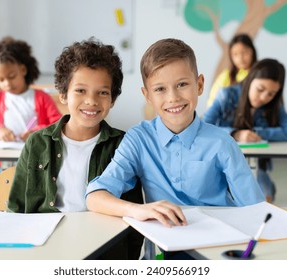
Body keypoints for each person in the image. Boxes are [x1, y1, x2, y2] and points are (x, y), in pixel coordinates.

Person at [86, 38, 264, 259]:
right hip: (169, 246)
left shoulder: (222, 142)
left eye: (182, 84)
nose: (173, 98)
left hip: (217, 246)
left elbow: (256, 210)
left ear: (199, 85)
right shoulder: (139, 139)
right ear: (147, 96)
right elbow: (94, 196)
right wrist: (138, 210)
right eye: (160, 89)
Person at [7, 38, 144, 259]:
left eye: (102, 92)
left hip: (104, 247)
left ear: (113, 99)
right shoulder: (37, 143)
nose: (91, 101)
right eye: (80, 90)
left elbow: (133, 214)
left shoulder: (123, 145)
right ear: (63, 94)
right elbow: (17, 209)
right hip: (47, 245)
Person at [0, 36, 62, 211]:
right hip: (2, 167)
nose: (7, 83)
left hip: (36, 167)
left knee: (33, 204)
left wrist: (38, 132)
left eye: (11, 76)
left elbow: (59, 125)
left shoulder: (41, 98)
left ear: (23, 69)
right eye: (0, 79)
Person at [203, 58, 287, 202]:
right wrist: (235, 133)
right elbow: (204, 126)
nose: (264, 97)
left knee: (263, 200)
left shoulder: (274, 105)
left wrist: (258, 133)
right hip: (221, 167)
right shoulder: (226, 95)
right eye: (260, 89)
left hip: (257, 169)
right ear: (250, 80)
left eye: (271, 94)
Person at [207, 33, 257, 107]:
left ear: (252, 51)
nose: (240, 58)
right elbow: (213, 101)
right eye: (235, 54)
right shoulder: (226, 76)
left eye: (244, 52)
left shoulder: (261, 74)